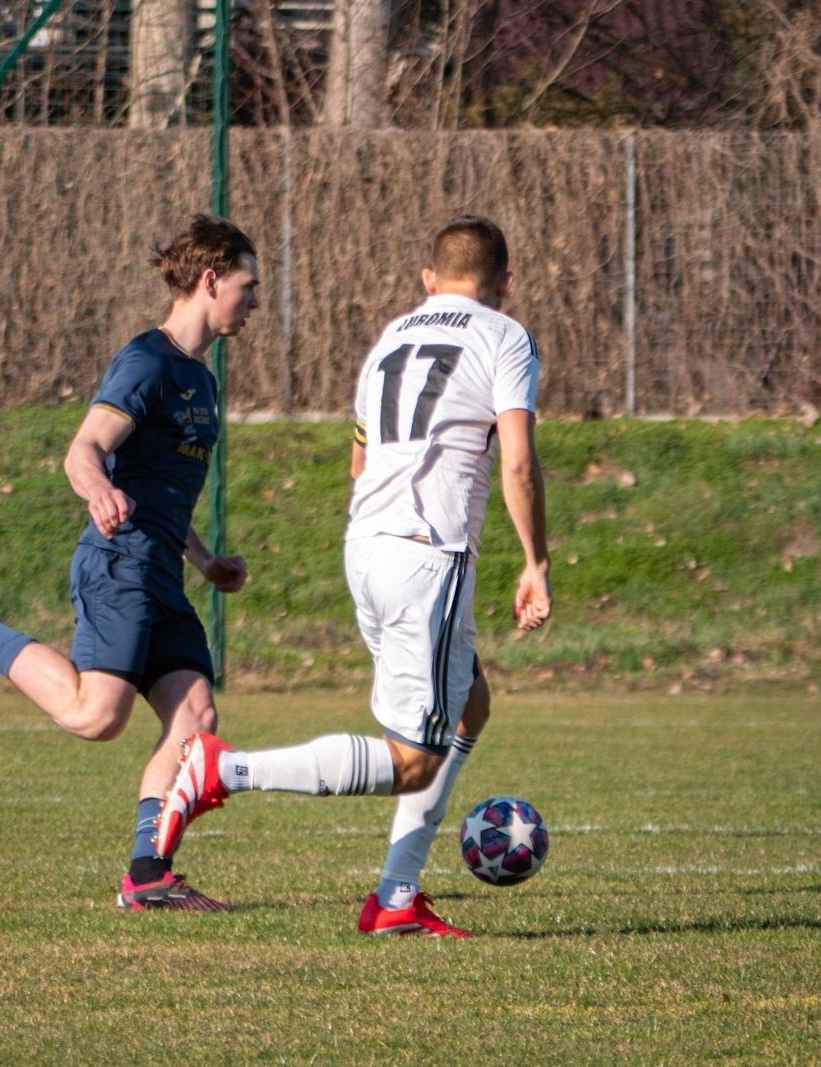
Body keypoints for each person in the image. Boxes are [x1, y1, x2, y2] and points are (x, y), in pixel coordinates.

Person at [155, 214, 552, 936]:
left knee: (470, 705)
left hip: (366, 542)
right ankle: (224, 770)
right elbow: (519, 460)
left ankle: (397, 896)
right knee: (413, 759)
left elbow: (359, 459)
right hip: (426, 554)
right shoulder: (505, 335)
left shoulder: (391, 339)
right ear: (504, 284)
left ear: (429, 280)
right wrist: (537, 563)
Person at [0, 214, 259, 910]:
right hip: (119, 563)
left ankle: (148, 875)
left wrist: (203, 561)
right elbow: (82, 450)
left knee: (195, 721)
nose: (255, 299)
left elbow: (164, 493)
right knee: (94, 716)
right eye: (247, 284)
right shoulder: (147, 360)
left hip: (162, 571)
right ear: (211, 279)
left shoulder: (200, 382)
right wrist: (99, 487)